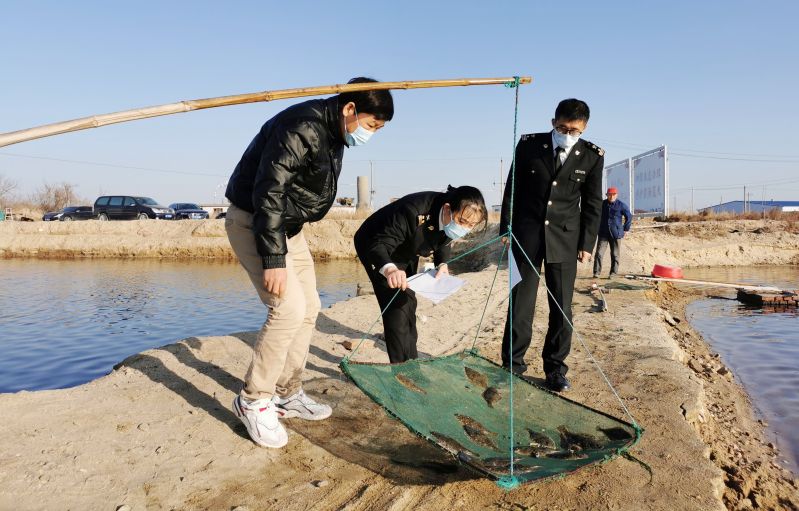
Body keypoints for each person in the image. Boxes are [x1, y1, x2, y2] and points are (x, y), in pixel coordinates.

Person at [224, 77, 394, 448]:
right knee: (286, 308)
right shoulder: (303, 126)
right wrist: (272, 257)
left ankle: (287, 391)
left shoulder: (335, 130)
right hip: (257, 223)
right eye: (371, 125)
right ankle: (254, 400)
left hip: (290, 229)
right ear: (350, 109)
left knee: (310, 306)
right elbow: (269, 190)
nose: (370, 134)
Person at [499, 98, 604, 392]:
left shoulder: (592, 156)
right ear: (553, 123)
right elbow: (512, 188)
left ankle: (555, 369)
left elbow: (593, 203)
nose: (568, 133)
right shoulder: (529, 145)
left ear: (583, 129)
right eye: (562, 127)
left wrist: (587, 243)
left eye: (574, 130)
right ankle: (512, 365)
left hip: (565, 240)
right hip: (526, 236)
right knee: (521, 304)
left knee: (561, 306)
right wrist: (506, 227)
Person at [354, 186, 487, 363]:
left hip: (408, 248)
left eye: (471, 225)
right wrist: (390, 269)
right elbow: (379, 245)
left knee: (409, 302)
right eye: (462, 222)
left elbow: (444, 239)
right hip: (378, 246)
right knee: (396, 306)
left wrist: (442, 263)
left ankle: (412, 362)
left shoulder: (451, 218)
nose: (464, 229)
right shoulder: (413, 211)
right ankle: (401, 369)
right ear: (447, 209)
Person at [593, 187, 632, 278]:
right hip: (603, 233)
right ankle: (596, 272)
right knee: (599, 253)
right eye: (609, 195)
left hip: (616, 234)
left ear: (616, 195)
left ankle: (613, 273)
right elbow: (595, 215)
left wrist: (625, 229)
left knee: (615, 254)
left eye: (613, 194)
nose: (611, 196)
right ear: (606, 195)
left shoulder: (621, 205)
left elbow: (629, 217)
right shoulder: (602, 204)